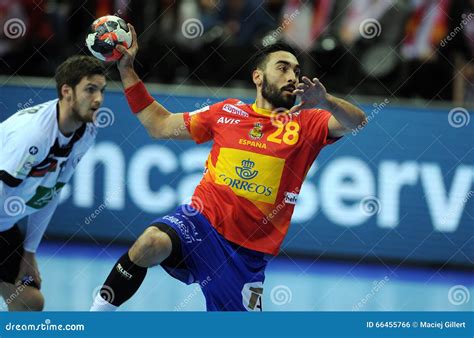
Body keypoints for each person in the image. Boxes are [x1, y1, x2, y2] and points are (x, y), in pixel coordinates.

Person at [90, 25, 366, 312]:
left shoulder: (308, 124)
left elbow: (356, 121)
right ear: (258, 77)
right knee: (149, 243)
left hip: (245, 255)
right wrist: (126, 69)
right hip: (200, 223)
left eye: (296, 71)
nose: (292, 77)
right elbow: (159, 125)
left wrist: (326, 101)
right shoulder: (226, 112)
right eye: (282, 68)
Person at [0, 55, 107, 311]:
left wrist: (30, 253)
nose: (99, 100)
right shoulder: (33, 136)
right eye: (90, 90)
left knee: (30, 303)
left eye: (101, 91)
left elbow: (51, 193)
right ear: (66, 91)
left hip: (5, 225)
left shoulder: (86, 132)